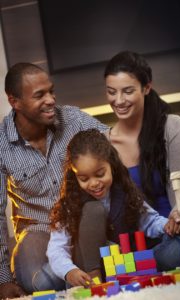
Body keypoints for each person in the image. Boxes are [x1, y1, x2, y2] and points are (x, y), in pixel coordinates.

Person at [0, 63, 108, 299]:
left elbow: (113, 149)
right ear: (14, 101)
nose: (51, 100)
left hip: (79, 221)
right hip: (36, 229)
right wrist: (3, 279)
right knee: (37, 283)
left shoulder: (73, 118)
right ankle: (77, 270)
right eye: (40, 95)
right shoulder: (1, 145)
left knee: (94, 218)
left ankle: (79, 270)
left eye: (51, 91)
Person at [47, 129, 180, 288]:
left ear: (111, 166)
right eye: (84, 178)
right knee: (93, 210)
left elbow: (149, 221)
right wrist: (69, 271)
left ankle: (145, 267)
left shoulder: (125, 189)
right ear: (74, 174)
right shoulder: (70, 203)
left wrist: (167, 225)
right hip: (89, 273)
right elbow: (56, 249)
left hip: (128, 265)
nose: (93, 183)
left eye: (100, 174)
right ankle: (96, 275)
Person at [103, 50, 180, 221]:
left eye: (128, 91)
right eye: (112, 92)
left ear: (147, 88)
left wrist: (178, 216)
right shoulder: (103, 143)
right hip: (129, 240)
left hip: (171, 232)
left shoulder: (171, 126)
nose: (119, 101)